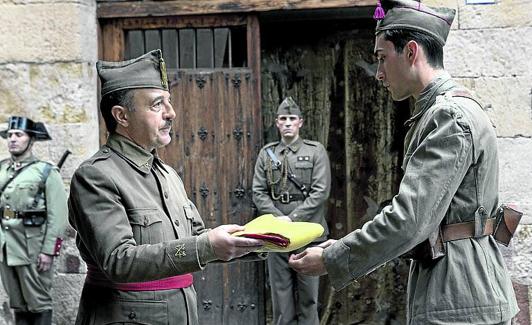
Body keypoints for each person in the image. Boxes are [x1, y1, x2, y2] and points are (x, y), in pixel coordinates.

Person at [289, 1, 519, 324]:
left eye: (382, 58)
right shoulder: (441, 112)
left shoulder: (448, 117)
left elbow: (409, 220)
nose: (379, 74)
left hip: (460, 301)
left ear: (411, 52)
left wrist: (332, 258)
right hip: (459, 296)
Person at [68, 49, 263, 325]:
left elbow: (196, 237)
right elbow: (118, 260)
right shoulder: (95, 176)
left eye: (168, 103)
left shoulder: (167, 173)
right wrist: (206, 246)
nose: (171, 113)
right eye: (157, 105)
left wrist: (262, 241)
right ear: (122, 116)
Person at [252, 97, 331, 325]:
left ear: (300, 123)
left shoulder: (315, 152)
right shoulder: (267, 154)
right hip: (277, 236)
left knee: (309, 300)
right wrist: (279, 220)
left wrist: (292, 219)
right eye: (283, 119)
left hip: (309, 234)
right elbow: (259, 192)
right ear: (277, 123)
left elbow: (320, 192)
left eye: (292, 119)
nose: (287, 123)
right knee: (281, 300)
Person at [0, 116, 67, 325]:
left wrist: (49, 250)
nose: (12, 139)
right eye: (10, 135)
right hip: (7, 247)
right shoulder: (1, 169)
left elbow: (58, 216)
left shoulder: (46, 172)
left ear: (31, 140)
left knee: (38, 303)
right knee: (18, 303)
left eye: (18, 135)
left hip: (33, 247)